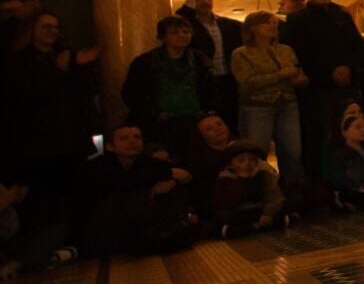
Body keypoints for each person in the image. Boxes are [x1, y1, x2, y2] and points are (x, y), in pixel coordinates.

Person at [1, 12, 99, 207]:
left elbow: (84, 94)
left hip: (71, 140)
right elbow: (27, 97)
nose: (53, 31)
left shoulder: (66, 56)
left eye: (56, 27)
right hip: (38, 145)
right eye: (47, 26)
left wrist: (82, 67)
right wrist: (58, 71)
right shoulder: (18, 62)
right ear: (31, 30)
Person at [282, 0, 364, 174]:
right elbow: (300, 53)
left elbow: (356, 46)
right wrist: (329, 72)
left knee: (349, 129)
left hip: (345, 85)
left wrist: (347, 67)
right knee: (319, 135)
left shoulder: (342, 15)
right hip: (317, 89)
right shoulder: (297, 20)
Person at [74, 124, 194, 257]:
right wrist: (168, 173)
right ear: (110, 147)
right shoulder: (99, 164)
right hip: (99, 225)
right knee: (131, 197)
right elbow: (121, 181)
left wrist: (171, 182)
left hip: (132, 223)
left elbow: (185, 173)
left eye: (137, 137)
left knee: (172, 192)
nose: (132, 141)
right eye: (124, 138)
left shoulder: (142, 160)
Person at [230, 10, 306, 195]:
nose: (273, 26)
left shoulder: (285, 50)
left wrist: (300, 79)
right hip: (257, 107)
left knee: (292, 151)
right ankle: (259, 193)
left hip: (287, 104)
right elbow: (247, 82)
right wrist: (280, 75)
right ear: (253, 28)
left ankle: (292, 193)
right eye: (267, 23)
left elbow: (297, 72)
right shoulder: (242, 54)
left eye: (275, 23)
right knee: (257, 152)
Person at [122, 16, 215, 159]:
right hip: (159, 123)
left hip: (193, 121)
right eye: (175, 32)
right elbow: (131, 94)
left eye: (186, 32)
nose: (182, 36)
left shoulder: (200, 60)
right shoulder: (145, 62)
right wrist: (154, 112)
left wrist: (205, 111)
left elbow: (211, 89)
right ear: (163, 37)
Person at [177, 0, 243, 131]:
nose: (205, 1)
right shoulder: (189, 25)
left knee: (231, 122)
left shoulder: (228, 25)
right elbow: (181, 17)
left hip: (227, 80)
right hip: (203, 81)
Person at [209, 141, 289, 237]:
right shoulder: (225, 178)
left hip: (258, 210)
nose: (247, 163)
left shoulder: (262, 174)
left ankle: (254, 227)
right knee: (222, 218)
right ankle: (243, 228)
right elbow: (225, 202)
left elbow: (272, 195)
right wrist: (242, 181)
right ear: (231, 163)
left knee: (279, 212)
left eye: (251, 159)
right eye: (241, 161)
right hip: (237, 213)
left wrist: (268, 213)